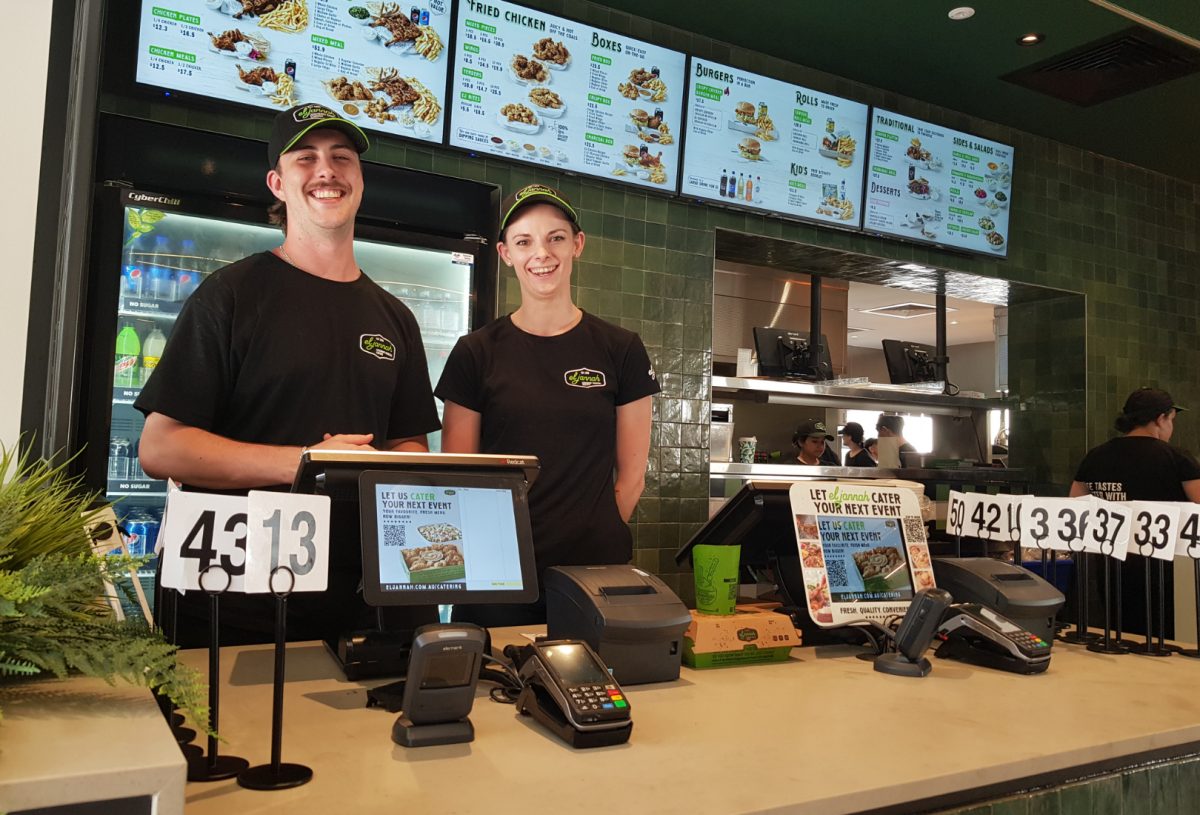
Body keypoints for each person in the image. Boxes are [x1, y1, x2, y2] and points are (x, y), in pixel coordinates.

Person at [136, 103, 441, 645]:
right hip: (234, 599)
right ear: (278, 183)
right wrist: (307, 463)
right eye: (307, 158)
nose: (326, 170)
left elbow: (410, 442)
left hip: (364, 598)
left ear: (360, 181)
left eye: (341, 157)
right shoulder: (230, 296)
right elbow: (161, 448)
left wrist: (395, 469)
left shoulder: (396, 318)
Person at [435, 184, 659, 626]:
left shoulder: (621, 349)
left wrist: (592, 533)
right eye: (524, 241)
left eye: (556, 237)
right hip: (497, 571)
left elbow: (632, 476)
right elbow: (460, 476)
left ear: (577, 244)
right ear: (505, 253)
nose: (542, 253)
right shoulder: (476, 352)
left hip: (593, 572)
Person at [1070, 387, 1200, 639]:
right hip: (1165, 571)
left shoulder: (1096, 456)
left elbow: (1074, 505)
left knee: (1119, 633)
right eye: (1171, 420)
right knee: (1162, 637)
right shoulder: (1176, 457)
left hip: (1110, 566)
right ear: (1161, 419)